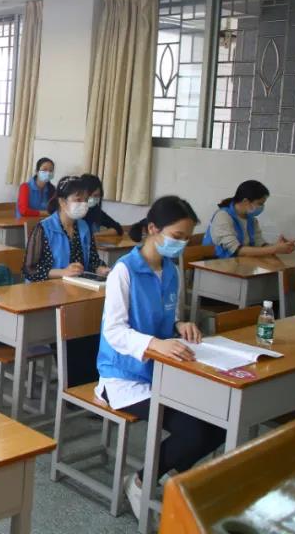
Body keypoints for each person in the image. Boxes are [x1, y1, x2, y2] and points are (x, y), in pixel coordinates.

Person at [95, 195, 224, 520]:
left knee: (219, 422)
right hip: (124, 378)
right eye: (177, 236)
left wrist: (180, 325)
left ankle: (167, 474)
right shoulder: (124, 271)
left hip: (162, 371)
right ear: (153, 228)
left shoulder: (171, 271)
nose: (181, 244)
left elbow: (169, 317)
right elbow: (114, 332)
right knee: (195, 431)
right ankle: (140, 482)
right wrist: (155, 343)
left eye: (186, 239)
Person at [23, 176, 111, 282]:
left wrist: (100, 269)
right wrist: (63, 272)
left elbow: (93, 261)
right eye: (78, 200)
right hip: (47, 287)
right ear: (62, 202)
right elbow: (30, 270)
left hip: (77, 285)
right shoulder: (43, 228)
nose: (84, 204)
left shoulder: (84, 227)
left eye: (86, 200)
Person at [202, 180, 295, 258]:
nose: (262, 207)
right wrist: (273, 249)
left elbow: (259, 243)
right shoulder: (223, 216)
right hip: (216, 265)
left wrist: (278, 247)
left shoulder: (251, 219)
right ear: (245, 201)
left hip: (239, 264)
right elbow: (236, 250)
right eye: (260, 203)